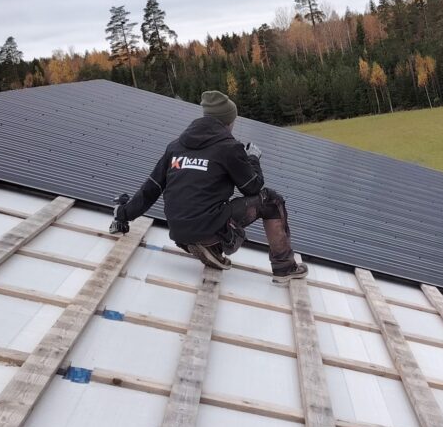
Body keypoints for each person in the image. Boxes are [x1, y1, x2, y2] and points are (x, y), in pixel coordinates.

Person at [110, 90, 307, 283]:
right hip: (207, 228)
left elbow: (151, 188)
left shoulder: (175, 146)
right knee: (271, 201)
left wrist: (122, 214)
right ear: (228, 121)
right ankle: (284, 268)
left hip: (179, 232)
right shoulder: (229, 148)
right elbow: (253, 187)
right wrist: (253, 159)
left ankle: (209, 247)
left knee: (207, 208)